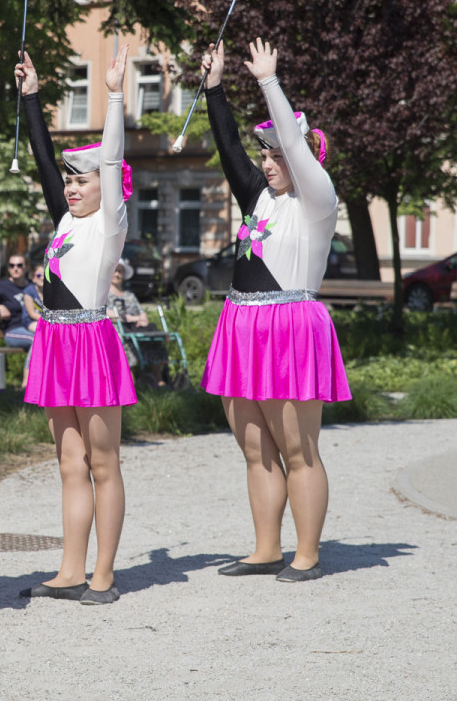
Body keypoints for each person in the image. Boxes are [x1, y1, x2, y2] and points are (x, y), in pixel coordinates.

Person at [200, 39, 351, 583]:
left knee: (298, 448)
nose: (266, 163)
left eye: (276, 155)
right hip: (241, 325)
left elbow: (291, 136)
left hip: (290, 327)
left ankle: (306, 554)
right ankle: (266, 548)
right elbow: (228, 148)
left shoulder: (317, 199)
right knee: (255, 447)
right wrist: (215, 86)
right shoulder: (259, 197)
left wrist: (269, 81)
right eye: (263, 155)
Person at [14, 45, 136, 605]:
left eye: (80, 181)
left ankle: (104, 574)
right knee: (68, 462)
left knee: (103, 461)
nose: (71, 186)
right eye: (69, 181)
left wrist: (113, 95)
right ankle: (69, 569)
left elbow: (109, 161)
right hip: (56, 339)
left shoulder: (110, 222)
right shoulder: (65, 218)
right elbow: (43, 159)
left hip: (91, 339)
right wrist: (33, 96)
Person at [0, 254, 36, 351]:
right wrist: (0, 307)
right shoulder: (2, 286)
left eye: (19, 265)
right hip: (13, 331)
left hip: (31, 327)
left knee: (49, 339)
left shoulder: (32, 287)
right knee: (36, 340)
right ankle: (30, 367)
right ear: (8, 268)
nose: (15, 268)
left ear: (26, 267)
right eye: (11, 266)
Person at [106, 259, 149, 330]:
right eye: (114, 271)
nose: (117, 274)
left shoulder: (129, 294)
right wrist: (134, 318)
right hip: (115, 329)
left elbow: (141, 312)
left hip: (135, 328)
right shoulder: (104, 295)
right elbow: (107, 314)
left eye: (120, 271)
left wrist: (143, 319)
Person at [21, 264, 45, 386]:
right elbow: (31, 313)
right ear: (33, 278)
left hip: (46, 323)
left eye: (45, 275)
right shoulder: (29, 291)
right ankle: (26, 379)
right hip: (31, 322)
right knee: (39, 336)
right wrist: (49, 321)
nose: (42, 278)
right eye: (39, 275)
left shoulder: (50, 292)